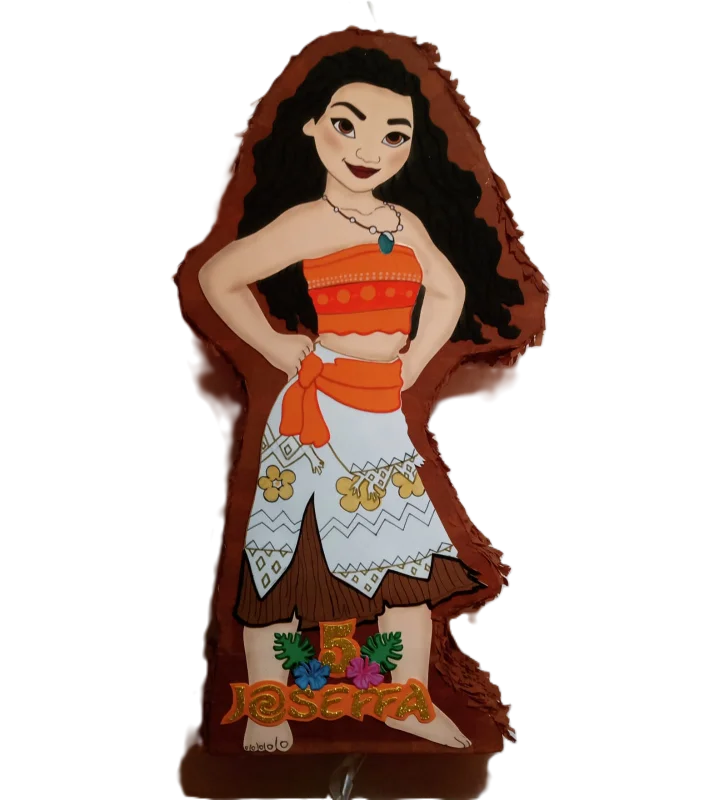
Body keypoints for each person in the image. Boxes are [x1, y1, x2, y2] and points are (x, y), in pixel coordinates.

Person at [177, 30, 547, 760]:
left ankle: (404, 700)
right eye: (347, 124)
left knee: (405, 561)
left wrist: (413, 360)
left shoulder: (402, 223)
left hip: (379, 412)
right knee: (284, 555)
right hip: (316, 411)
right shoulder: (308, 222)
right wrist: (277, 347)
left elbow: (448, 289)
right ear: (311, 126)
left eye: (393, 134)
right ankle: (267, 707)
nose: (368, 148)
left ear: (411, 146)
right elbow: (216, 277)